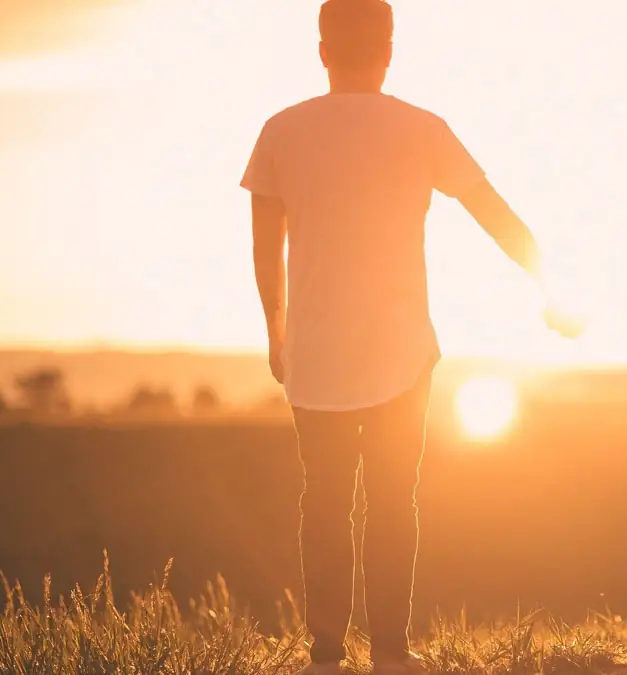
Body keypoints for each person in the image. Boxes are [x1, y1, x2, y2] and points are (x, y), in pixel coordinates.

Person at [240, 1, 548, 673]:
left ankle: (326, 654)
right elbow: (492, 211)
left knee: (323, 502)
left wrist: (275, 329)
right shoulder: (422, 127)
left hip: (315, 352)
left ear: (323, 52)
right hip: (402, 352)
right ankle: (388, 651)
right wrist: (551, 281)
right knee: (392, 502)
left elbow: (266, 248)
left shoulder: (280, 131)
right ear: (389, 52)